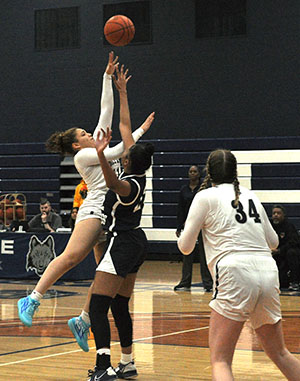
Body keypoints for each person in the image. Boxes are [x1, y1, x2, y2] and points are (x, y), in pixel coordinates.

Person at [17, 52, 154, 334]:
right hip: (94, 209)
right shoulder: (84, 158)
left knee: (105, 273)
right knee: (72, 256)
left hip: (110, 215)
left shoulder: (96, 144)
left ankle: (83, 320)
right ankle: (32, 298)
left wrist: (107, 77)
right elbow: (120, 150)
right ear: (77, 145)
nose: (89, 133)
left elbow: (106, 110)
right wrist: (139, 132)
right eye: (83, 133)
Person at [178, 149, 300, 381]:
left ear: (208, 172)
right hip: (267, 271)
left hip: (234, 271)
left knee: (221, 360)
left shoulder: (204, 197)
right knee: (280, 353)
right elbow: (273, 241)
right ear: (235, 172)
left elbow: (185, 247)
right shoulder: (250, 195)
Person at [86, 66, 154, 381]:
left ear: (128, 161)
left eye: (124, 156)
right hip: (136, 243)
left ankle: (103, 368)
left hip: (123, 243)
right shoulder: (137, 171)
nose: (122, 156)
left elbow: (112, 183)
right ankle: (127, 363)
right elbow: (125, 124)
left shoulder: (130, 184)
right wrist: (123, 92)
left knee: (98, 307)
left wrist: (101, 155)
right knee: (120, 306)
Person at [174, 165, 212, 292]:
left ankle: (208, 283)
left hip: (203, 225)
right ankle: (185, 282)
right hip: (188, 225)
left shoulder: (204, 189)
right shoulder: (183, 189)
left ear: (199, 174)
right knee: (187, 253)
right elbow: (180, 210)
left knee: (204, 253)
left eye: (195, 171)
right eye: (190, 171)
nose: (192, 173)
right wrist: (179, 226)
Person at [271, 204, 300, 291]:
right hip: (275, 253)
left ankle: (295, 282)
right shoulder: (269, 226)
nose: (276, 215)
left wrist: (280, 250)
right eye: (274, 213)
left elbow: (294, 242)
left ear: (283, 215)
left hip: (287, 253)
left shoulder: (289, 226)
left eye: (278, 213)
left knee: (292, 252)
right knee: (282, 282)